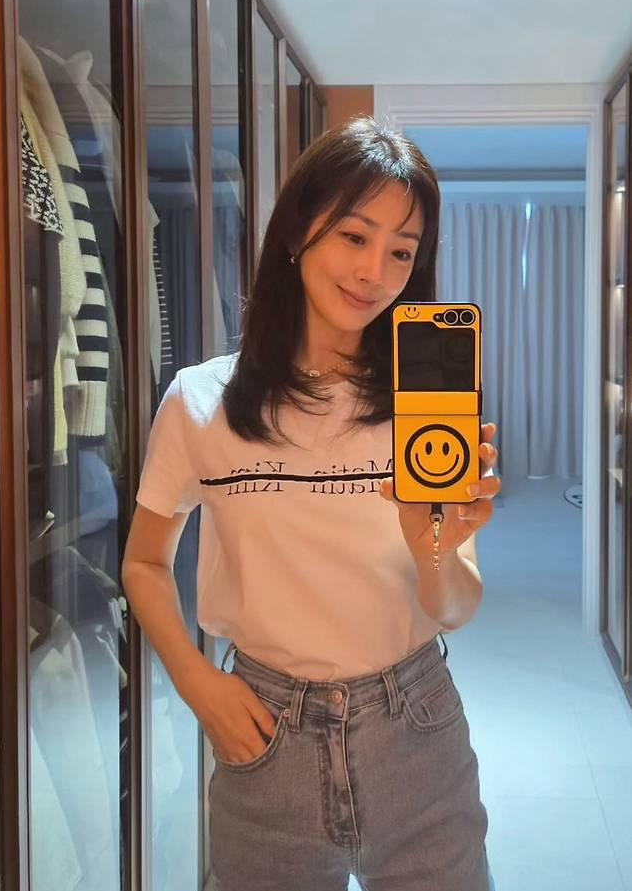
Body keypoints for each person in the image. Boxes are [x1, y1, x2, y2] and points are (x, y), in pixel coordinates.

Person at [122, 116, 501, 891]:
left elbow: (455, 604)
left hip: (415, 727)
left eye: (402, 251)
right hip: (266, 734)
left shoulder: (424, 406)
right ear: (297, 232)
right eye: (355, 236)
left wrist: (431, 542)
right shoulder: (200, 402)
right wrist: (198, 683)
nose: (374, 272)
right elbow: (144, 562)